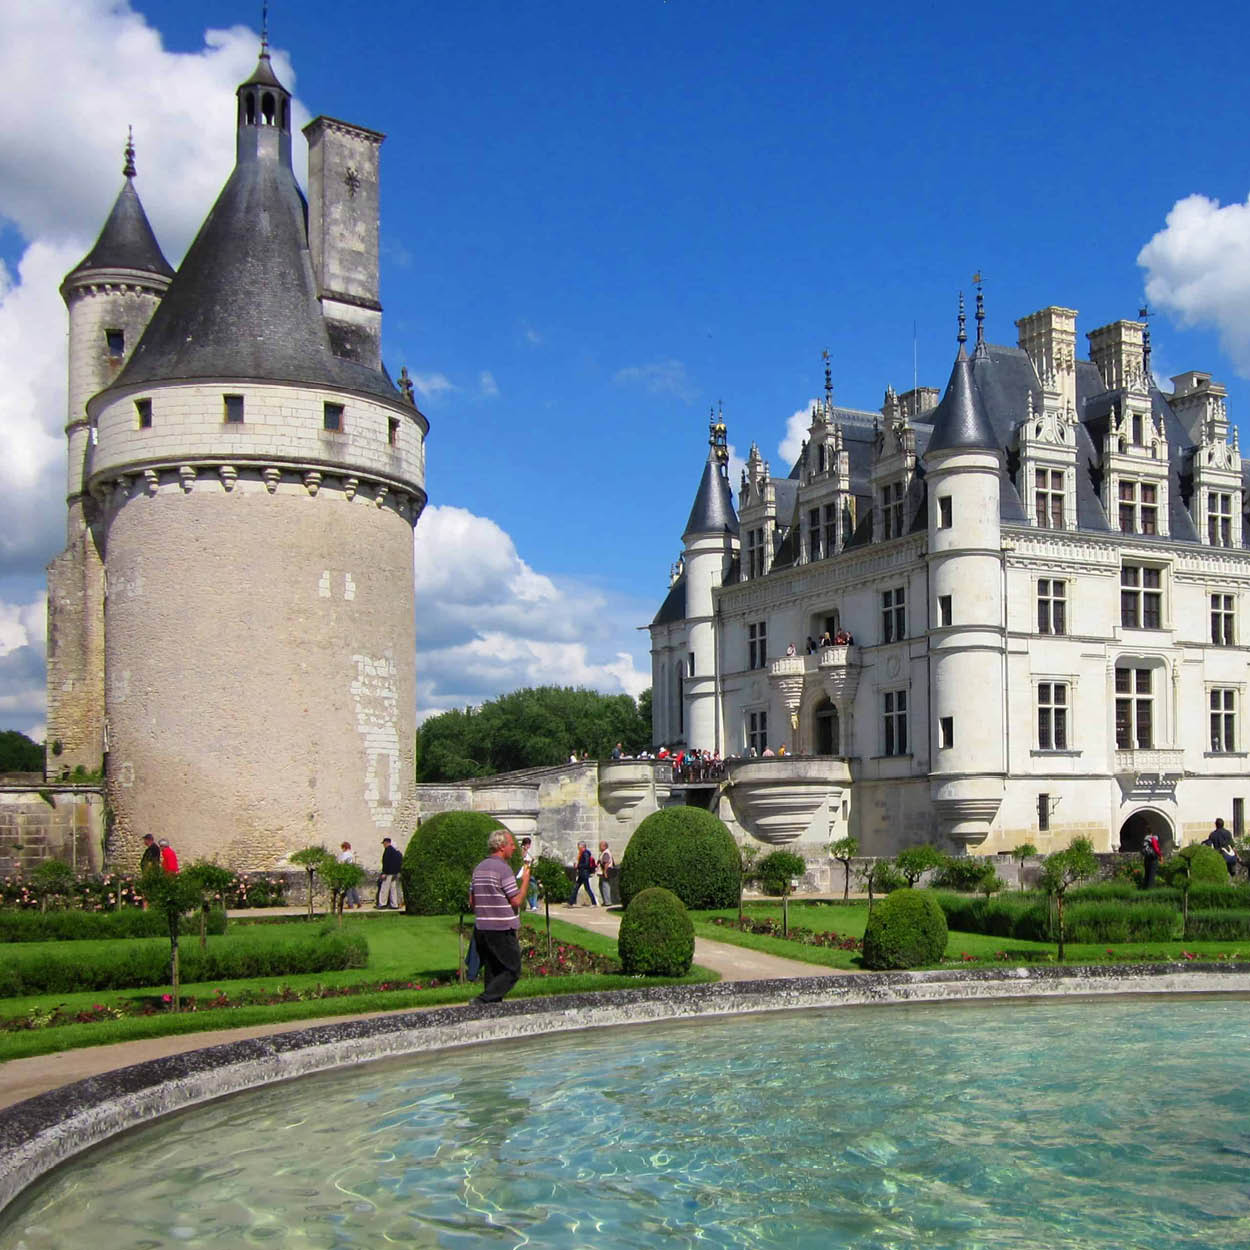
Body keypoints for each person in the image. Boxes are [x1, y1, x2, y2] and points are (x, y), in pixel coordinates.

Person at [468, 828, 530, 1003]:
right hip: (501, 928)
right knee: (513, 969)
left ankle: (491, 1007)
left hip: (482, 927)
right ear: (502, 847)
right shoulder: (503, 869)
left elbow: (472, 902)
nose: (514, 848)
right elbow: (516, 900)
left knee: (493, 969)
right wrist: (525, 881)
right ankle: (484, 1000)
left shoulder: (479, 868)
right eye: (511, 845)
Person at [568, 840, 598, 906]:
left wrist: (578, 866)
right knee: (576, 887)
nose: (578, 848)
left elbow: (586, 864)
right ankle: (571, 902)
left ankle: (594, 903)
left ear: (582, 847)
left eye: (579, 847)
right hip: (582, 873)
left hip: (584, 873)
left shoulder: (585, 853)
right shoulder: (583, 853)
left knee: (587, 888)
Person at [377, 837, 403, 909]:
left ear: (386, 843)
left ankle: (382, 904)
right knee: (393, 889)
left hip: (388, 873)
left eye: (384, 843)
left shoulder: (387, 850)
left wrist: (384, 872)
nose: (383, 845)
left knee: (384, 888)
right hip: (395, 873)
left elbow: (386, 862)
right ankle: (394, 904)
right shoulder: (395, 852)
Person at [338, 841, 361, 909]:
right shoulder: (351, 854)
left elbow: (342, 863)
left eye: (342, 848)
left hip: (346, 872)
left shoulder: (345, 854)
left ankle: (350, 904)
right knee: (353, 889)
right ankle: (358, 903)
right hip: (352, 872)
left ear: (344, 847)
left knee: (348, 889)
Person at [520, 835, 539, 911]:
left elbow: (530, 861)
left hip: (529, 870)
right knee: (531, 888)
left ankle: (533, 904)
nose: (529, 846)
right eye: (528, 844)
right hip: (524, 871)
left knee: (534, 888)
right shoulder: (522, 850)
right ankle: (533, 905)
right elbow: (522, 858)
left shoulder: (528, 851)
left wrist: (532, 860)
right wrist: (524, 850)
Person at [597, 840, 615, 906]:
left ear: (604, 846)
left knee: (605, 886)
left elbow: (606, 863)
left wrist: (605, 872)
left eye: (600, 846)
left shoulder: (606, 853)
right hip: (603, 872)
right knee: (602, 885)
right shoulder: (604, 852)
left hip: (605, 872)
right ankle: (605, 901)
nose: (599, 847)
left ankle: (608, 902)